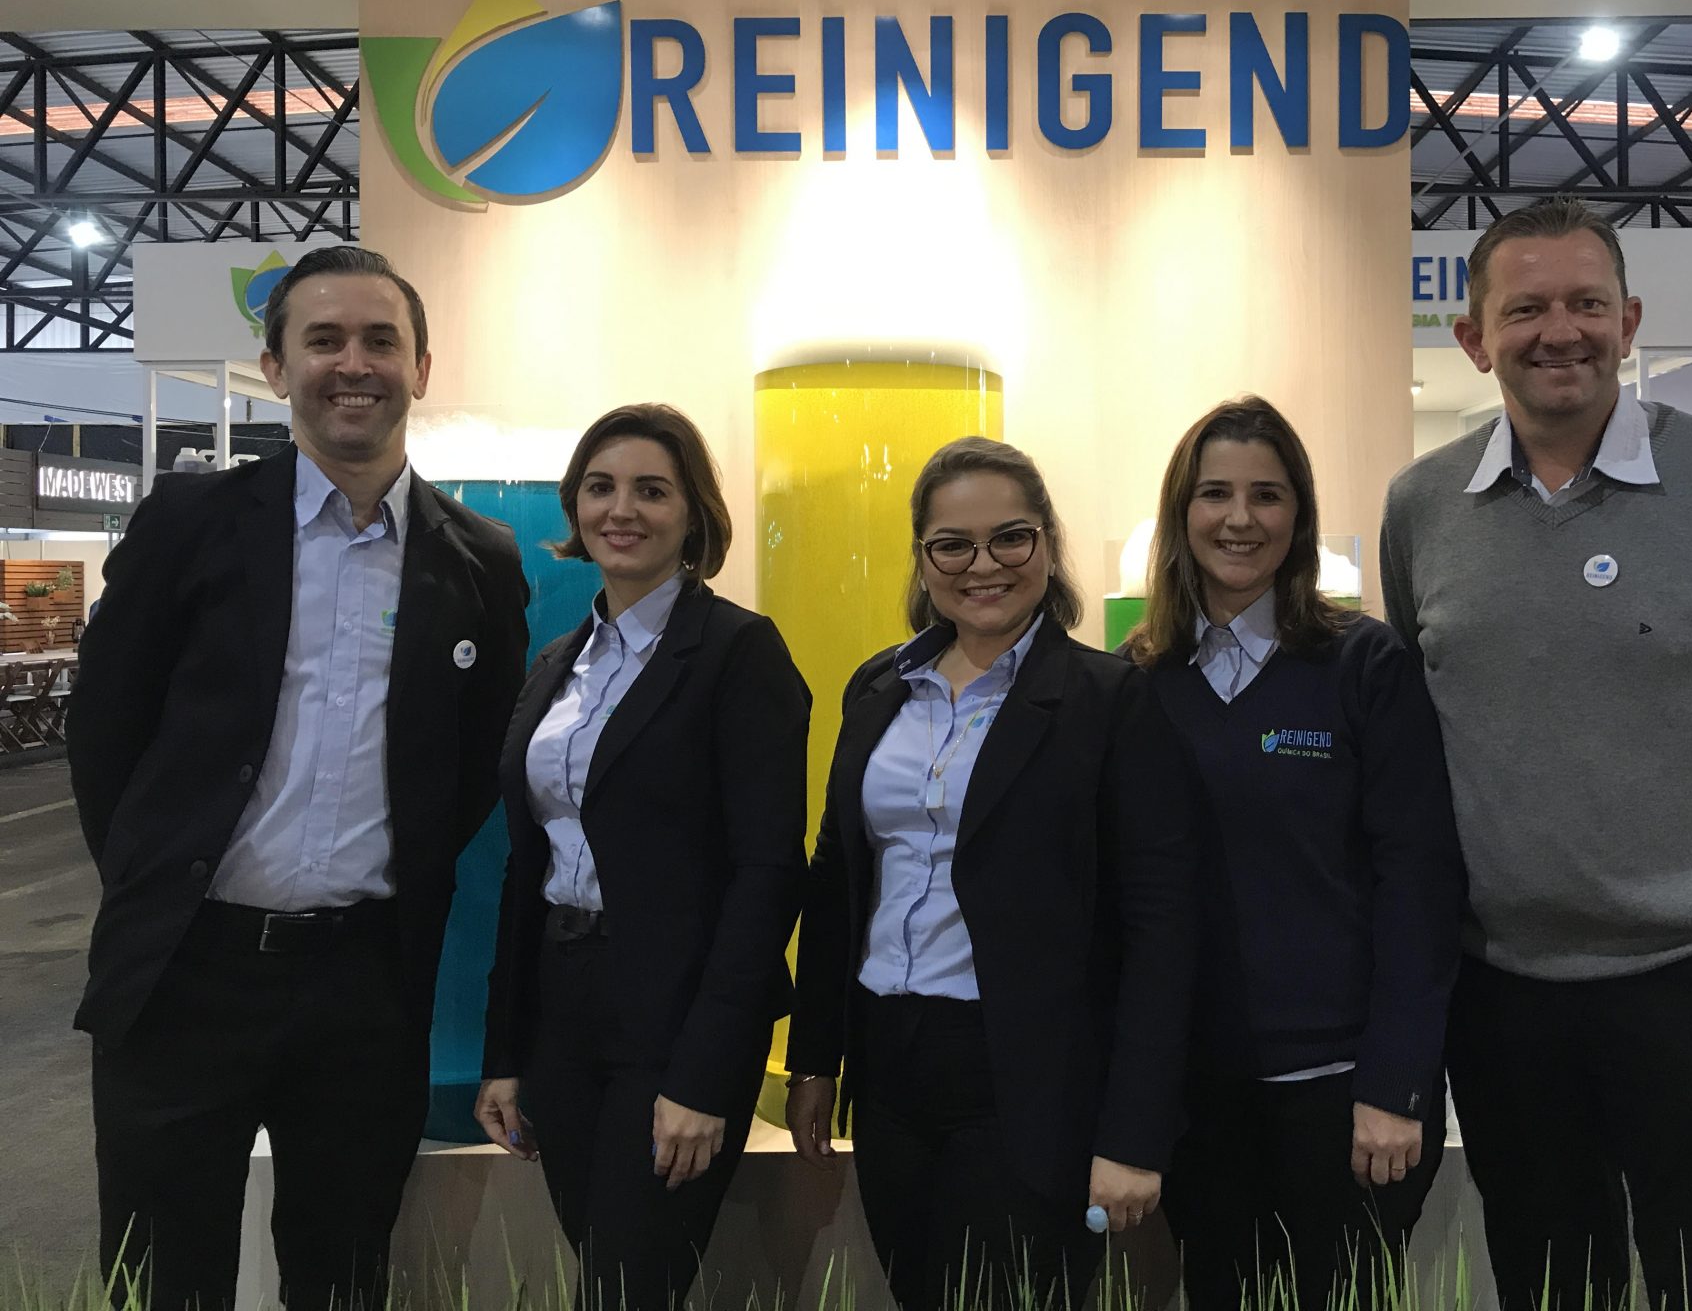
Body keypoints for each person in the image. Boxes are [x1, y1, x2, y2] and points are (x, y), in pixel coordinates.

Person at [1378, 196, 1692, 1311]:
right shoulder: (1421, 508)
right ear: (1474, 338)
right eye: (1526, 310)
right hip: (1505, 988)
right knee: (1551, 1278)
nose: (1559, 331)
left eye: (1586, 304)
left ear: (1630, 321)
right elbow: (1424, 720)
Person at [67, 245, 530, 1311]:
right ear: (276, 368)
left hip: (363, 988)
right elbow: (106, 733)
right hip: (185, 975)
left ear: (421, 367)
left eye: (380, 340)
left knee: (344, 1274)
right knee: (161, 1277)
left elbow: (469, 771)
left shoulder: (480, 560)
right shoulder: (188, 525)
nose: (352, 364)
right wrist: (157, 879)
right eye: (323, 340)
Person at [784, 436, 1196, 1311]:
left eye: (1010, 537)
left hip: (1025, 1077)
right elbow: (838, 877)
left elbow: (1162, 930)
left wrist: (1134, 1132)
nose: (983, 566)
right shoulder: (879, 688)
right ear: (922, 558)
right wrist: (815, 1058)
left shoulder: (1109, 701)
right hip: (890, 1065)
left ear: (1047, 543)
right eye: (952, 545)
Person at [1126, 396, 1463, 1310]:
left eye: (1267, 495)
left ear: (1299, 516)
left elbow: (1419, 885)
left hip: (1343, 1095)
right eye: (1215, 494)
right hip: (1201, 1097)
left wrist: (1397, 1084)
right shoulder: (1138, 678)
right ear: (1180, 513)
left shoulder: (1365, 665)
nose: (1239, 519)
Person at [473, 404, 811, 1311]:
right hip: (562, 1009)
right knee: (601, 1271)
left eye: (652, 491)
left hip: (676, 1015)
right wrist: (504, 1052)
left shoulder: (738, 652)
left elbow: (768, 874)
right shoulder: (559, 664)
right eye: (601, 487)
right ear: (575, 506)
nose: (621, 510)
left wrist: (704, 1073)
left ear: (693, 514)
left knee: (628, 1285)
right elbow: (527, 865)